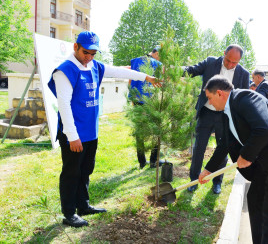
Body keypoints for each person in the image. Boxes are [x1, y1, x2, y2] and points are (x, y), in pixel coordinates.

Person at [48, 31, 160, 228]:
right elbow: (64, 105)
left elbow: (120, 71)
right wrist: (72, 137)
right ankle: (69, 213)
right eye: (85, 52)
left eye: (93, 53)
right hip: (74, 134)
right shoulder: (64, 71)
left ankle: (83, 205)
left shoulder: (94, 66)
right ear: (75, 47)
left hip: (91, 132)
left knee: (85, 170)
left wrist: (147, 77)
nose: (89, 57)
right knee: (71, 173)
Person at [198, 76, 268, 244]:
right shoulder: (227, 113)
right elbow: (224, 145)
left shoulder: (246, 98)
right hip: (265, 158)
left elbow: (263, 129)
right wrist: (209, 170)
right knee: (256, 200)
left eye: (209, 98)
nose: (209, 103)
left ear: (219, 93)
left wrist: (246, 155)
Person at [184, 44, 250, 194]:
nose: (231, 65)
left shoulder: (243, 74)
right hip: (206, 112)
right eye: (228, 60)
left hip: (225, 116)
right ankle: (194, 181)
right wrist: (175, 71)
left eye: (235, 62)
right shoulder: (210, 62)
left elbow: (243, 98)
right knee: (199, 148)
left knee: (222, 149)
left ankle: (217, 182)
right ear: (224, 53)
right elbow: (192, 70)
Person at [128, 47, 162, 168]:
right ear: (156, 54)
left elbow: (130, 80)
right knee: (156, 130)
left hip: (136, 100)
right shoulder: (157, 63)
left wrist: (132, 97)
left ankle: (142, 162)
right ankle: (153, 161)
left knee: (139, 132)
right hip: (150, 101)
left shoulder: (135, 61)